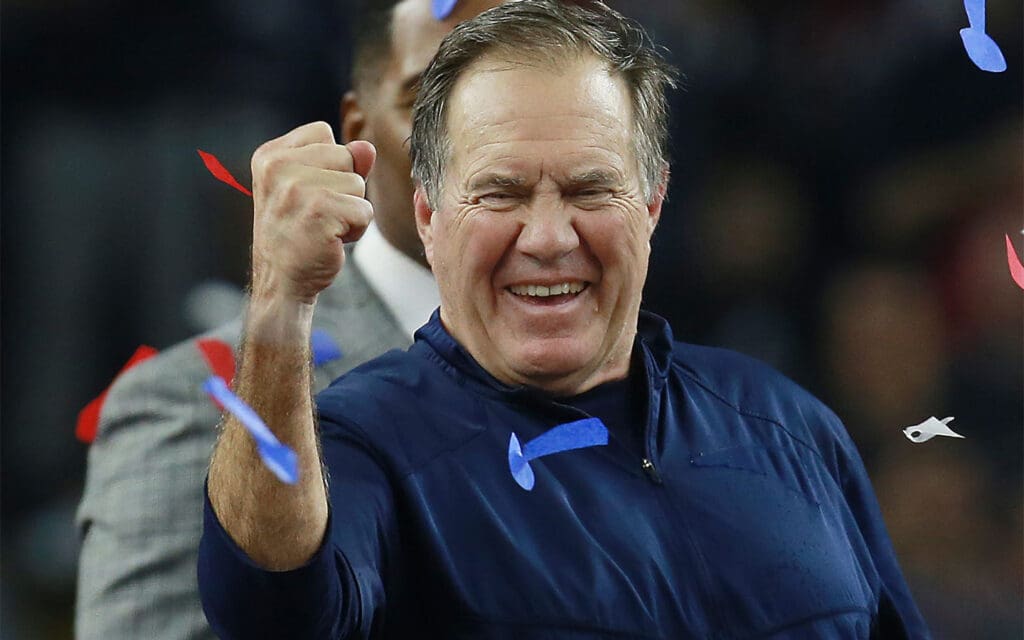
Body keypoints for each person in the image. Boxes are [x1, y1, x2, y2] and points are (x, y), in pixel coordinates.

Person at [198, 1, 931, 637]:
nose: (548, 238)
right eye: (501, 193)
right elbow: (270, 611)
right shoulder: (364, 444)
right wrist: (279, 302)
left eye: (589, 189)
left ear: (651, 205)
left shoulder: (789, 426)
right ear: (428, 215)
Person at [74, 1, 503, 638]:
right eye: (434, 104)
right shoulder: (189, 407)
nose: (491, 150)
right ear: (357, 129)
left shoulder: (656, 399)